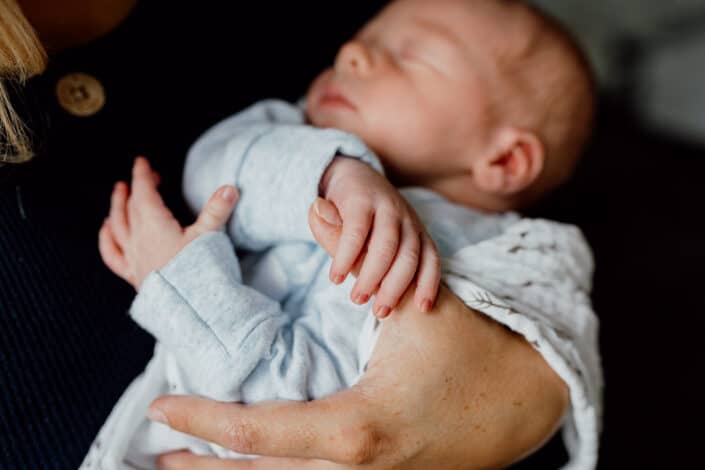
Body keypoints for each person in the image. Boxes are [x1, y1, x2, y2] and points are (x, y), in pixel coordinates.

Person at [0, 0, 591, 469]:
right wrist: (333, 168)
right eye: (366, 37)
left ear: (506, 162)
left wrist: (176, 281)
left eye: (410, 55)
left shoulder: (533, 259)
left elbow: (286, 411)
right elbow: (217, 168)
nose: (353, 51)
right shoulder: (297, 134)